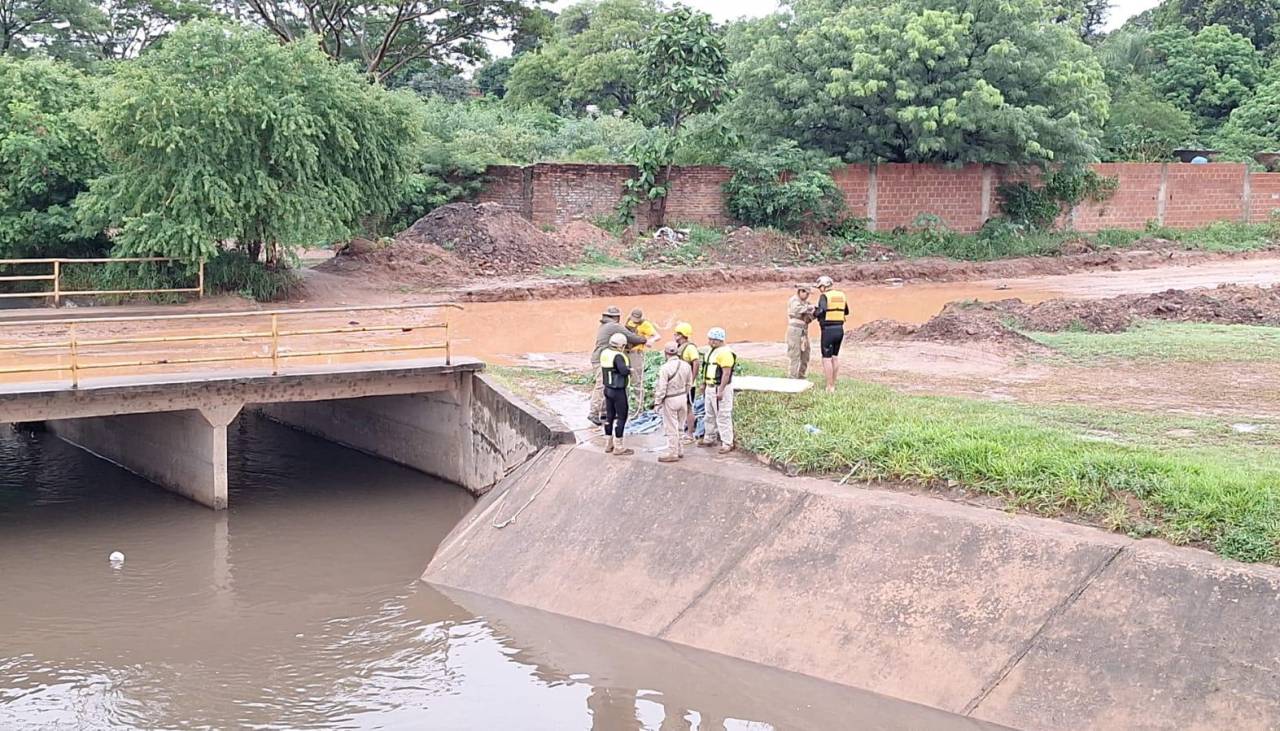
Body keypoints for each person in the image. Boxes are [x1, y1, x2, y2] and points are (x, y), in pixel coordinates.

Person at [590, 306, 645, 425]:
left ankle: (604, 412)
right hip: (602, 359)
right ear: (616, 317)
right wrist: (644, 339)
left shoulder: (605, 325)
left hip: (603, 358)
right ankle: (593, 413)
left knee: (607, 384)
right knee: (601, 385)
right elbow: (631, 337)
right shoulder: (614, 326)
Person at [652, 341, 693, 463]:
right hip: (682, 397)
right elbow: (689, 383)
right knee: (680, 426)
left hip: (670, 398)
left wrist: (657, 402)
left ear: (665, 353)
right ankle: (680, 450)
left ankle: (673, 452)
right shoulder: (686, 365)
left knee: (671, 427)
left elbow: (662, 387)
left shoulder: (665, 368)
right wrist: (684, 393)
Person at [698, 327, 736, 454]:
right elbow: (706, 368)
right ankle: (709, 437)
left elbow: (726, 373)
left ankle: (727, 442)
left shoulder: (725, 353)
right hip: (710, 387)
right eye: (710, 339)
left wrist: (720, 390)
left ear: (720, 340)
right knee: (709, 414)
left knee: (723, 415)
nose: (711, 342)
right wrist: (703, 383)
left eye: (714, 340)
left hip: (720, 387)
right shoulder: (710, 351)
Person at [599, 332, 635, 455]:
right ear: (621, 345)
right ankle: (618, 446)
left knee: (609, 416)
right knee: (621, 417)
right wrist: (630, 370)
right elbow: (623, 371)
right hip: (618, 390)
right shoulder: (618, 356)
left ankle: (608, 443)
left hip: (607, 389)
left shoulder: (605, 353)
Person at [813, 275, 848, 393]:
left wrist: (814, 312)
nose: (819, 290)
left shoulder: (824, 296)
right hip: (840, 329)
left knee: (826, 358)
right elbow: (846, 311)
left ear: (824, 286)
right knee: (835, 357)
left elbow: (821, 311)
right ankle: (834, 382)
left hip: (828, 330)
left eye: (820, 287)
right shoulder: (841, 295)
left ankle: (829, 386)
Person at [624, 308, 660, 408]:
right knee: (624, 377)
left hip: (636, 354)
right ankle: (625, 403)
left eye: (637, 319)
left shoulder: (645, 324)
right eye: (634, 318)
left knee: (636, 380)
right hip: (625, 352)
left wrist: (651, 341)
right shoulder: (628, 321)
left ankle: (638, 405)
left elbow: (657, 336)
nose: (635, 320)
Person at [673, 322, 701, 439]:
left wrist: (691, 380)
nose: (675, 336)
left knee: (689, 408)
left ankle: (690, 433)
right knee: (681, 408)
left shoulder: (690, 348)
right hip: (680, 384)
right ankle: (683, 430)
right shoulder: (679, 347)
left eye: (676, 334)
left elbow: (696, 363)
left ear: (682, 335)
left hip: (688, 385)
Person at [786, 285, 815, 378]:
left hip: (804, 330)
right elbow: (796, 309)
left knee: (805, 354)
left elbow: (811, 316)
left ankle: (801, 375)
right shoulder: (794, 300)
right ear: (801, 291)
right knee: (795, 354)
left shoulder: (806, 303)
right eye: (806, 293)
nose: (807, 296)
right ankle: (793, 376)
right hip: (795, 330)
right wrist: (809, 308)